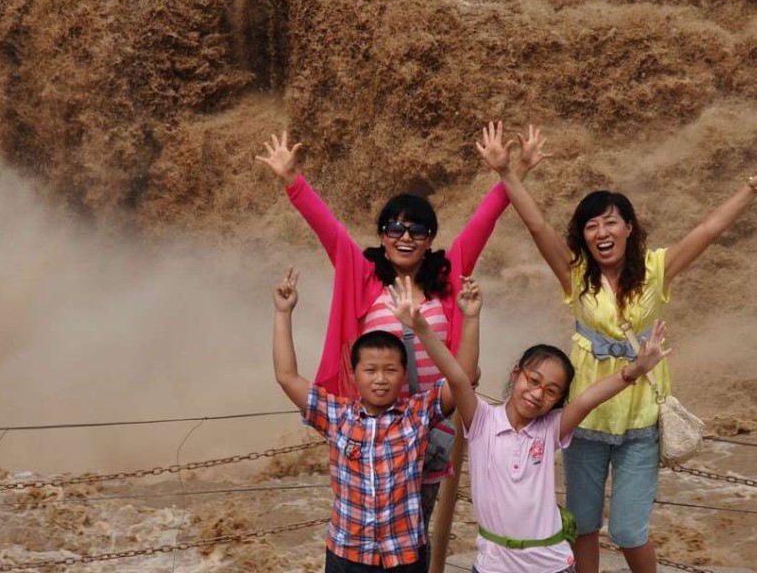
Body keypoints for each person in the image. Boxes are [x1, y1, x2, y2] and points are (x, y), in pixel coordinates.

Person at [476, 120, 757, 573]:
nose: (601, 231)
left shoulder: (656, 270)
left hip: (639, 421)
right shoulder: (575, 275)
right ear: (583, 236)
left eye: (611, 221)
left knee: (628, 530)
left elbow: (708, 229)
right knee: (583, 524)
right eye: (591, 225)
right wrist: (507, 173)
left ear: (629, 227)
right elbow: (537, 225)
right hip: (585, 420)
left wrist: (750, 188)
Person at [256, 129, 545, 530]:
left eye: (417, 231)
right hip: (371, 425)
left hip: (429, 422)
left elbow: (484, 221)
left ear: (430, 240)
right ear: (382, 236)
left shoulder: (449, 275)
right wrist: (292, 180)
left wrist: (513, 173)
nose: (405, 237)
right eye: (395, 228)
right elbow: (329, 228)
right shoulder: (363, 275)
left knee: (414, 525)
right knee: (365, 516)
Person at [390, 274, 671, 573]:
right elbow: (459, 377)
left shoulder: (551, 428)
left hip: (550, 565)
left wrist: (636, 369)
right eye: (533, 380)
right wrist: (449, 321)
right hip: (492, 565)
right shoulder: (482, 419)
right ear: (515, 374)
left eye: (551, 391)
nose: (538, 394)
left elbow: (589, 398)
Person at [271, 267, 478, 573]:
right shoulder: (337, 415)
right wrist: (282, 312)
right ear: (354, 376)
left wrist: (470, 318)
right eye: (370, 370)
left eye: (390, 370)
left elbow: (463, 379)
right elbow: (286, 377)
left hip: (405, 555)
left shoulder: (417, 414)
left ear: (403, 375)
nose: (380, 379)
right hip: (347, 555)